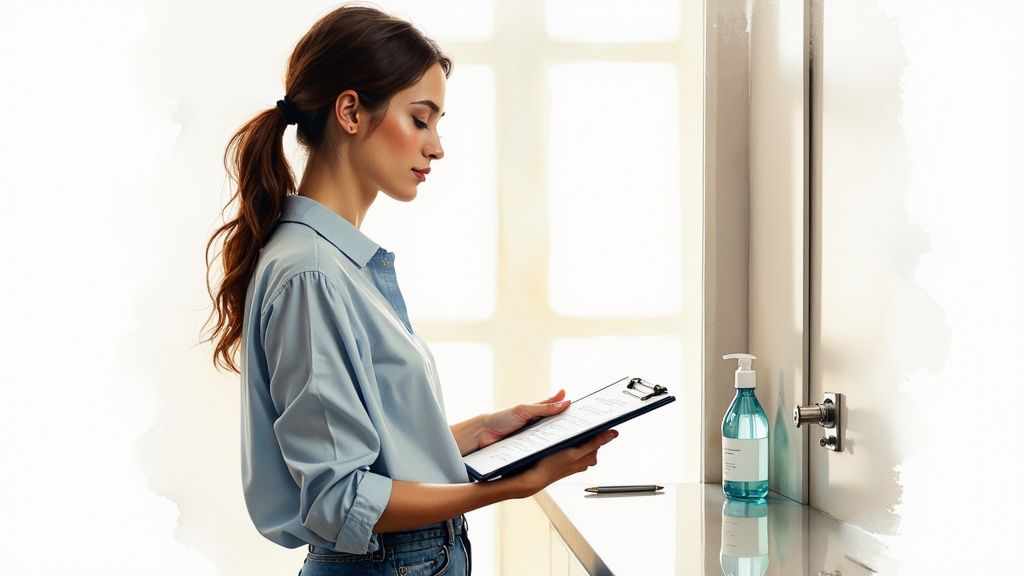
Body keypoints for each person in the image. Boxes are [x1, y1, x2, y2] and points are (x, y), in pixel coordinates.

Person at [203, 4, 617, 575]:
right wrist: (507, 488)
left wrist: (480, 436)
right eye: (421, 120)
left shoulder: (335, 265)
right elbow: (340, 500)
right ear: (350, 111)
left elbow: (368, 457)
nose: (436, 146)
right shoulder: (311, 275)